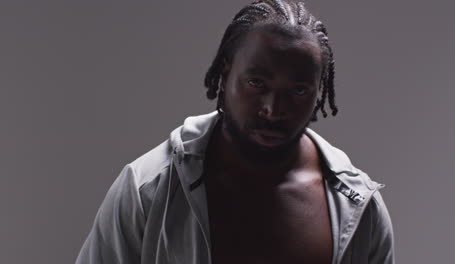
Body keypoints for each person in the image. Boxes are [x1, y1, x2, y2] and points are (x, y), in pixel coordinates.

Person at [76, 0, 395, 263]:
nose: (273, 109)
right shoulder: (147, 189)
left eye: (298, 91)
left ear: (318, 92)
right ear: (226, 74)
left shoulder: (361, 209)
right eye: (257, 83)